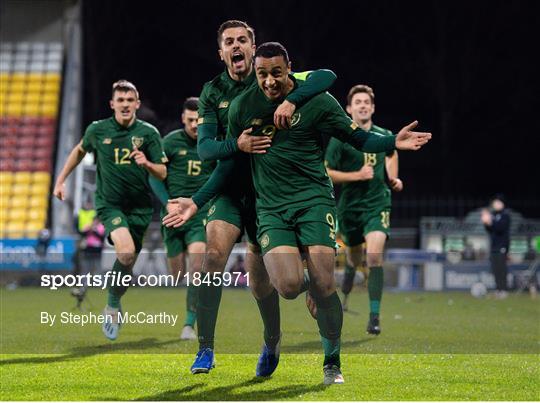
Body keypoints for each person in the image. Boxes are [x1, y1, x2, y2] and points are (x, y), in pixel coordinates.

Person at [164, 42, 432, 384]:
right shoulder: (242, 106)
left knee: (325, 283)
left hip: (314, 201)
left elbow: (357, 138)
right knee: (289, 285)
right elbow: (226, 165)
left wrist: (393, 140)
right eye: (263, 74)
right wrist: (196, 201)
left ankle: (332, 362)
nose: (270, 81)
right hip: (271, 208)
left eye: (277, 73)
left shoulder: (317, 100)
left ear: (290, 69)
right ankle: (287, 310)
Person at [187, 20, 338, 377]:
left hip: (267, 194)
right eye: (229, 42)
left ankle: (272, 339)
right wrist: (235, 145)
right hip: (228, 188)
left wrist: (293, 98)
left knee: (260, 283)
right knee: (213, 255)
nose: (236, 46)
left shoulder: (278, 78)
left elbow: (325, 77)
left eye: (243, 40)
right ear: (221, 51)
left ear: (254, 49)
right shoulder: (213, 91)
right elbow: (206, 148)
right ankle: (205, 348)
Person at [53, 80, 167, 340]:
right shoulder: (98, 129)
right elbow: (79, 150)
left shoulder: (148, 133)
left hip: (140, 208)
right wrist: (60, 181)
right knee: (125, 253)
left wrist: (147, 163)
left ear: (137, 104)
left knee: (127, 263)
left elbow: (162, 172)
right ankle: (112, 307)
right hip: (110, 204)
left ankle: (114, 300)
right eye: (121, 100)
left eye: (130, 101)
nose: (125, 105)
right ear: (112, 104)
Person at [325, 84, 403, 335]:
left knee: (374, 256)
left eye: (366, 102)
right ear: (349, 109)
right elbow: (326, 173)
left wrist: (393, 177)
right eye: (357, 102)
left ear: (372, 107)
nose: (362, 105)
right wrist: (356, 175)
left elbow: (391, 154)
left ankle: (374, 317)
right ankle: (348, 278)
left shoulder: (383, 135)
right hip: (350, 209)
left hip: (377, 203)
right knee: (354, 257)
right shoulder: (341, 138)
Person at [149, 97, 214, 340]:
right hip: (172, 216)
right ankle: (186, 285)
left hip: (199, 214)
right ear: (182, 119)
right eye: (190, 121)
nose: (195, 125)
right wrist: (166, 202)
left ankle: (189, 324)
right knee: (177, 275)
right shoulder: (170, 142)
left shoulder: (211, 143)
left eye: (199, 120)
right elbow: (154, 177)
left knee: (197, 267)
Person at [72, 199, 106, 308]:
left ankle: (100, 285)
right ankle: (83, 287)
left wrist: (94, 231)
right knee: (85, 270)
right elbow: (83, 233)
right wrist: (89, 230)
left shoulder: (101, 227)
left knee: (97, 268)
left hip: (97, 251)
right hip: (88, 250)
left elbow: (101, 237)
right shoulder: (88, 225)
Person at [481, 194, 511, 298]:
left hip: (502, 246)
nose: (496, 204)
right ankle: (498, 289)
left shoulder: (505, 216)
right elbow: (490, 230)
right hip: (493, 246)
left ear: (503, 204)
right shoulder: (493, 214)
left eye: (499, 202)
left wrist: (490, 222)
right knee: (495, 269)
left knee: (501, 268)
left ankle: (504, 290)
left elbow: (500, 228)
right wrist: (486, 222)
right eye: (495, 202)